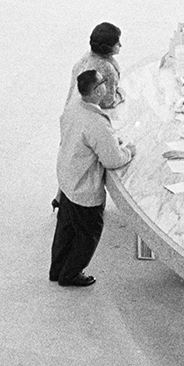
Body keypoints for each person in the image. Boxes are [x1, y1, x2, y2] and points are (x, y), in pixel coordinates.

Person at [50, 69, 133, 288]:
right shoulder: (95, 122)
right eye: (103, 83)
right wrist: (129, 151)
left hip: (68, 177)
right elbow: (113, 159)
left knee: (66, 228)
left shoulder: (74, 107)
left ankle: (57, 269)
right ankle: (71, 274)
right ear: (96, 91)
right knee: (89, 233)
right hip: (84, 187)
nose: (107, 86)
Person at [68, 22, 123, 110]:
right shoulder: (107, 68)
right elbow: (108, 102)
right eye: (117, 43)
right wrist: (121, 95)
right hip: (90, 116)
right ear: (107, 47)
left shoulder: (85, 58)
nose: (120, 45)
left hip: (72, 110)